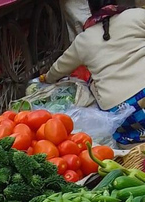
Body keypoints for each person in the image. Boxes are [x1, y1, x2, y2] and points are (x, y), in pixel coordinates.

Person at [43, 0, 145, 145]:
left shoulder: (82, 41)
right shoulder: (136, 15)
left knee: (92, 82)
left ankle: (136, 134)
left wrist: (46, 78)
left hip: (123, 114)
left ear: (91, 9)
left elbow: (58, 69)